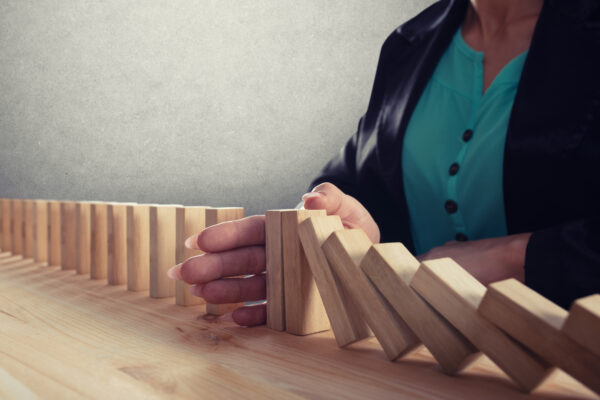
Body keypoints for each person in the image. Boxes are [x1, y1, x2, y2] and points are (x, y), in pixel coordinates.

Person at [168, 0, 600, 327]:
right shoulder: (408, 43)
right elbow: (357, 185)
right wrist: (336, 233)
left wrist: (518, 257)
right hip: (420, 362)